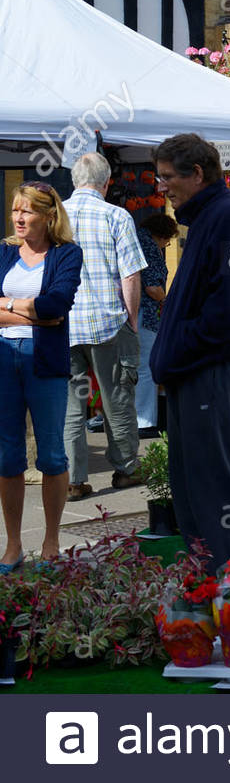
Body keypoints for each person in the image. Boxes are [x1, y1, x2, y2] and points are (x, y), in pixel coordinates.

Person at [150, 133, 230, 571]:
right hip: (195, 372)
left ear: (197, 174)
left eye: (167, 178)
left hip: (210, 373)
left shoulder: (228, 217)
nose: (162, 188)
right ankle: (212, 584)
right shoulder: (208, 218)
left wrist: (176, 349)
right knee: (192, 485)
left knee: (215, 485)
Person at [0, 182, 83, 571]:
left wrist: (7, 305)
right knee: (7, 455)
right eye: (16, 210)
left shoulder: (66, 254)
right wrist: (31, 314)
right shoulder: (3, 252)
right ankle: (13, 544)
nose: (18, 218)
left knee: (51, 452)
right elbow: (47, 313)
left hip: (44, 361)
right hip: (4, 360)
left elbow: (57, 303)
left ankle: (51, 539)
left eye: (27, 211)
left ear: (49, 216)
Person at [63, 152, 147, 500]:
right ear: (106, 182)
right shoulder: (116, 215)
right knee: (117, 399)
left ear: (73, 181)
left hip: (63, 324)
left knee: (70, 406)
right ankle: (126, 469)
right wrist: (131, 317)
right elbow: (130, 273)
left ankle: (73, 479)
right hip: (108, 321)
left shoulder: (55, 215)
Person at [135, 212, 179, 437]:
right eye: (167, 240)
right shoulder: (150, 246)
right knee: (146, 366)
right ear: (161, 235)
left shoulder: (135, 239)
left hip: (132, 313)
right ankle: (143, 421)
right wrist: (167, 302)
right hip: (145, 313)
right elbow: (153, 287)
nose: (167, 245)